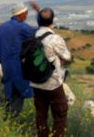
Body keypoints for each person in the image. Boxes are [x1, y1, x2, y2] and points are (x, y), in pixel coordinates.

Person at [30, 7, 71, 137]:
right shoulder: (55, 39)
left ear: (38, 21)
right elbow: (67, 56)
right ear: (52, 21)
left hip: (35, 82)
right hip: (53, 84)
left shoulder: (32, 36)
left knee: (41, 114)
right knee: (60, 114)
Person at [0, 2, 39, 118]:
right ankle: (11, 122)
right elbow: (40, 32)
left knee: (9, 93)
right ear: (21, 14)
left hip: (6, 66)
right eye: (26, 13)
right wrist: (39, 13)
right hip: (17, 68)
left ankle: (6, 121)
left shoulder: (2, 27)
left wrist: (3, 61)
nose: (27, 16)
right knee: (18, 95)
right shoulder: (22, 27)